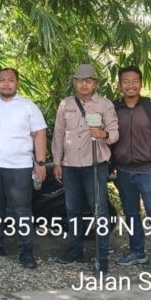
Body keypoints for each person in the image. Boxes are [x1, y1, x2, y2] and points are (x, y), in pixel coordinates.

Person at [0, 68, 47, 269]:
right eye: (2, 80)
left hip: (19, 167)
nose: (6, 83)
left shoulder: (28, 107)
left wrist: (40, 163)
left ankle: (26, 250)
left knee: (21, 209)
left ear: (17, 83)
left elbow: (39, 134)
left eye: (10, 80)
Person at [52, 64, 118, 274]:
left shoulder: (105, 104)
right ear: (74, 82)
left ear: (95, 82)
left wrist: (103, 135)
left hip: (95, 165)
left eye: (88, 80)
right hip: (70, 165)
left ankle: (102, 255)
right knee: (72, 209)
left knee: (99, 209)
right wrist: (56, 161)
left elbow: (115, 132)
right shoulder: (66, 104)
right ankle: (74, 249)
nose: (83, 84)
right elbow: (59, 134)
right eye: (80, 80)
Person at [112, 65, 151, 278]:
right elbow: (110, 140)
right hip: (124, 172)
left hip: (149, 171)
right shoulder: (115, 108)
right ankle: (137, 252)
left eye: (134, 81)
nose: (130, 85)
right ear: (119, 85)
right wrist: (111, 167)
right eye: (126, 81)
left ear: (141, 83)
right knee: (131, 214)